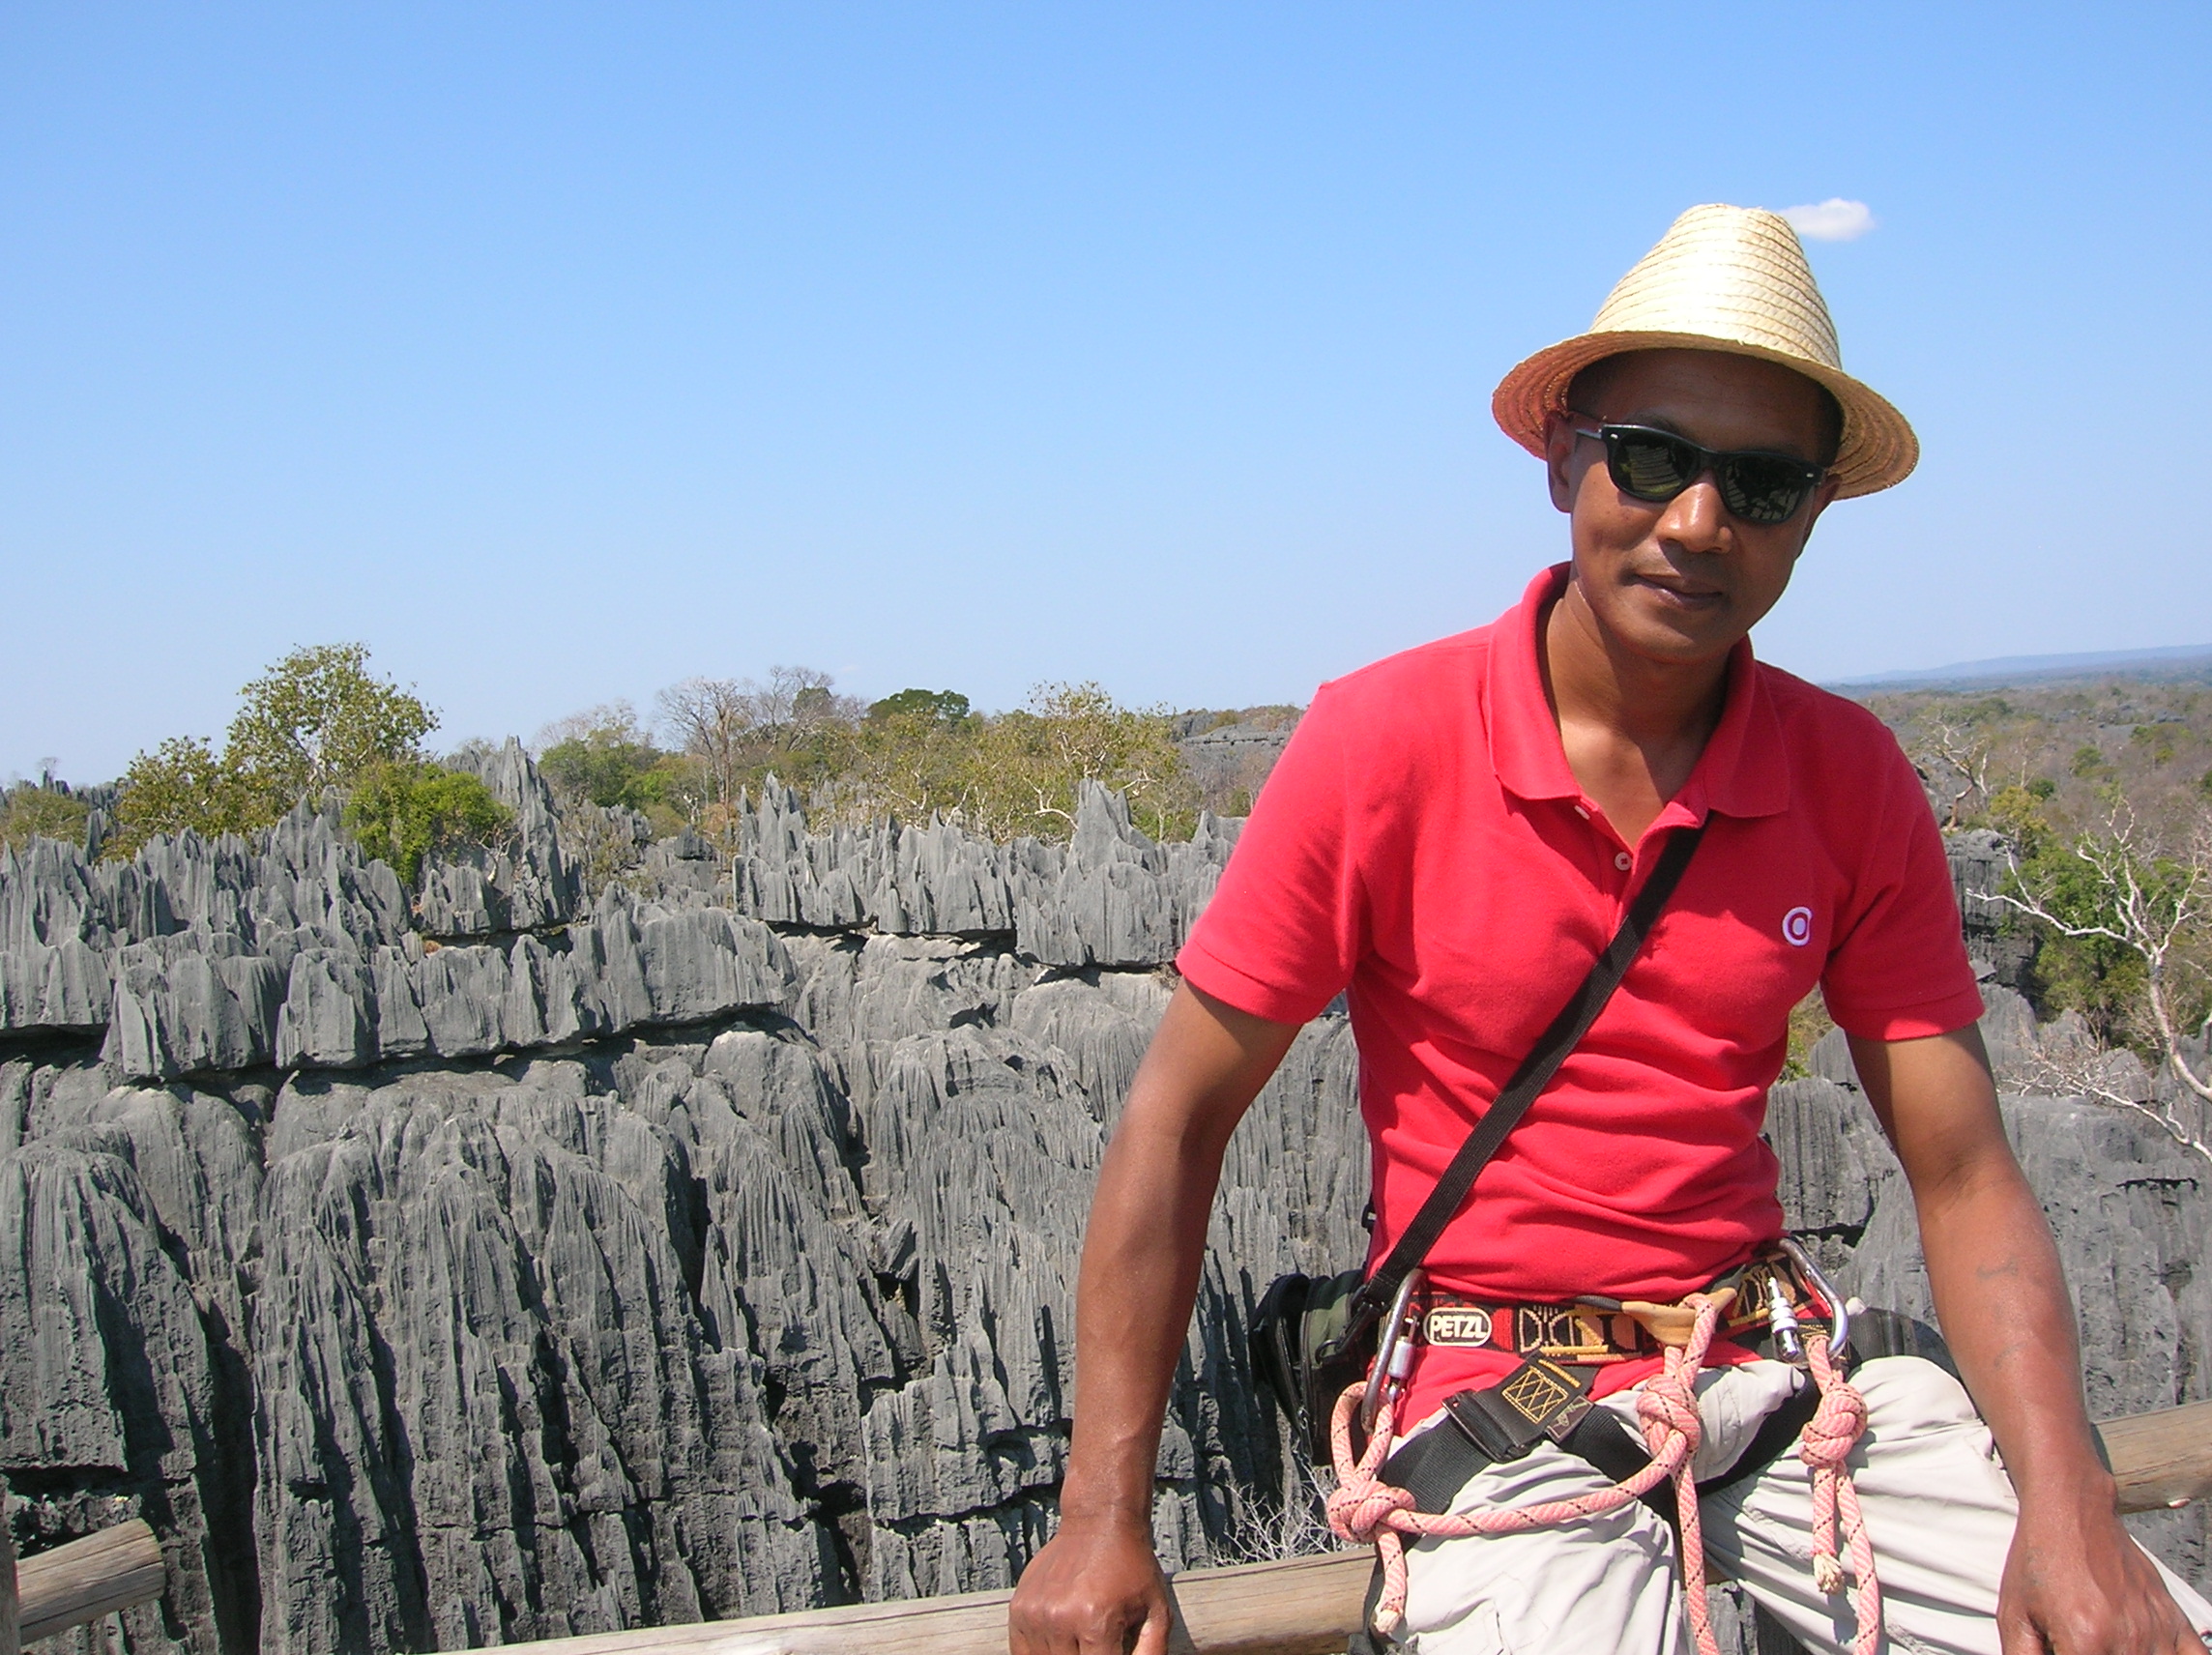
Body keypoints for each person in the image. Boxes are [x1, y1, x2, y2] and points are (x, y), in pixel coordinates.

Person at [1006, 205, 2212, 1655]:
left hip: (1771, 1368)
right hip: (1492, 1390)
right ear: (1566, 453)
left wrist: (2068, 1509)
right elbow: (1173, 1122)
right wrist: (1099, 1520)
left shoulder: (1848, 777)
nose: (1698, 523)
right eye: (1653, 458)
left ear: (1815, 514)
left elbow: (1960, 1173)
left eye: (1762, 485)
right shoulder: (1380, 743)